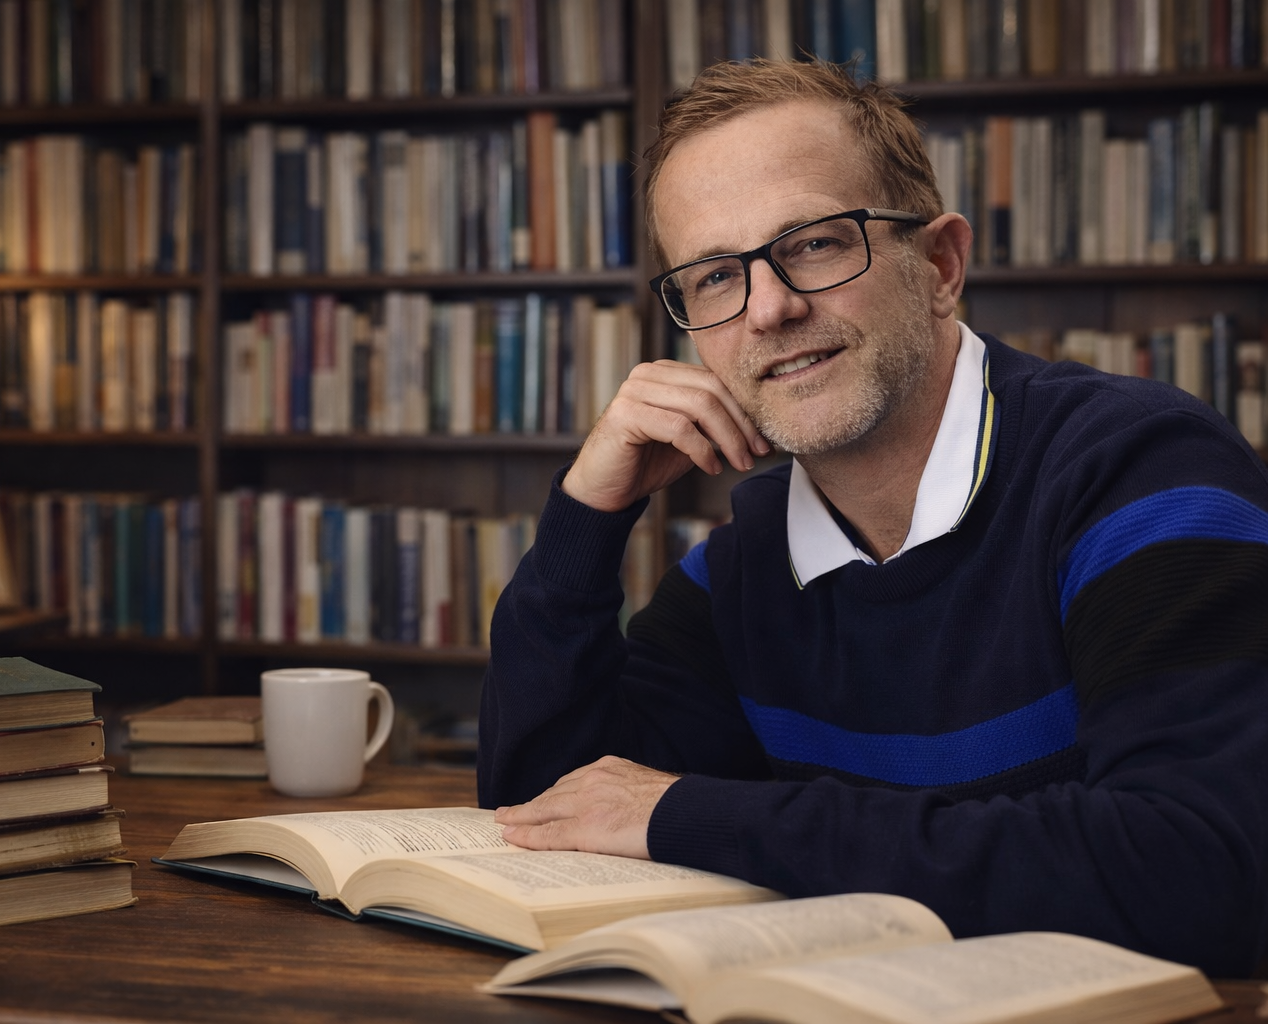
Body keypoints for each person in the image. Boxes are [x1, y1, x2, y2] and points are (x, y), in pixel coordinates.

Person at [477, 58, 1268, 977]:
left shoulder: (1140, 469)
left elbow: (1204, 875)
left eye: (814, 243)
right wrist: (586, 517)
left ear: (939, 264)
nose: (768, 309)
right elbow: (544, 817)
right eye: (714, 276)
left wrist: (696, 813)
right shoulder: (743, 564)